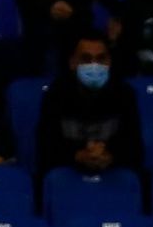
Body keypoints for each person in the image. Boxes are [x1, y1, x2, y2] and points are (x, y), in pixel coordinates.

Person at [36, 33, 144, 183]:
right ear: (72, 62)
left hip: (111, 176)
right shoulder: (55, 94)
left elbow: (134, 147)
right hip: (68, 178)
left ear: (110, 62)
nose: (94, 66)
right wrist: (78, 155)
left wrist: (110, 155)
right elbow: (46, 146)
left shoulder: (125, 94)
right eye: (86, 59)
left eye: (101, 59)